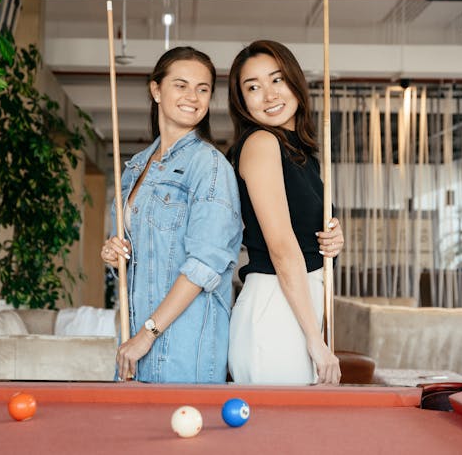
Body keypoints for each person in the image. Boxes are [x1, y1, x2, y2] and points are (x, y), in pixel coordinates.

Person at [100, 46, 242, 384]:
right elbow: (145, 253)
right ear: (156, 90)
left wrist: (148, 333)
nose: (192, 96)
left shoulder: (209, 166)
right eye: (180, 85)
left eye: (203, 88)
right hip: (134, 343)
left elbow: (205, 264)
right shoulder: (135, 168)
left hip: (185, 349)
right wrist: (115, 252)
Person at [226, 40, 345, 385]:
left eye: (276, 80)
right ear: (242, 101)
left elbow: (302, 236)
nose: (268, 95)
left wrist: (331, 241)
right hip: (276, 308)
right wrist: (314, 337)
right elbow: (281, 247)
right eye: (253, 87)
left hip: (297, 305)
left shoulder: (302, 153)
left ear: (294, 81)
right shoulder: (262, 144)